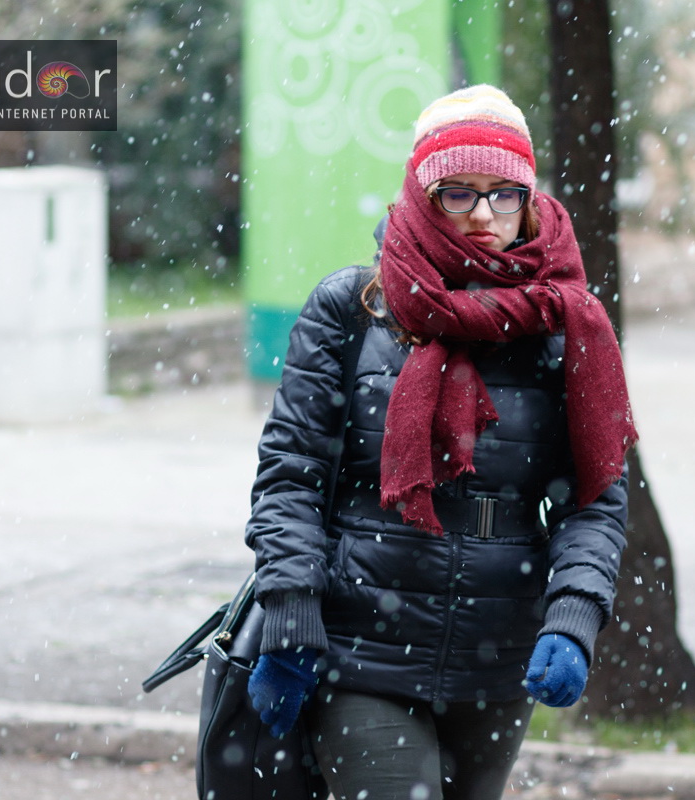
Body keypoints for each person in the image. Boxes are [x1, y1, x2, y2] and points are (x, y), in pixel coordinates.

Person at [244, 84, 638, 800]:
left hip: (499, 657)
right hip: (361, 646)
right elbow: (290, 475)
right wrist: (291, 611)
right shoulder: (350, 309)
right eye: (458, 192)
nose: (485, 215)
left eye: (504, 193)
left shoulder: (565, 324)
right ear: (423, 193)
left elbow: (597, 497)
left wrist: (573, 616)